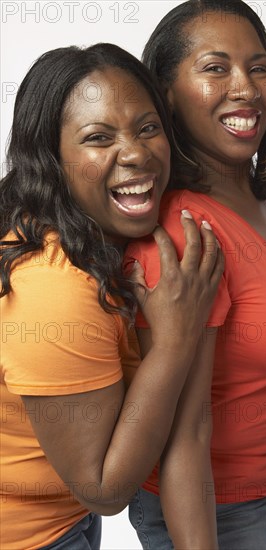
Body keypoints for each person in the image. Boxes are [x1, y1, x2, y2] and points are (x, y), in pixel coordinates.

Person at [126, 1, 266, 548]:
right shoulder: (186, 232)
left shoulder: (247, 196)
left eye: (258, 66)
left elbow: (263, 295)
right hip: (221, 517)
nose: (246, 87)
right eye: (215, 67)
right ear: (165, 92)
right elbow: (185, 433)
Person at [0, 43, 223, 550]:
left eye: (148, 128)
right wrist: (174, 341)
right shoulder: (53, 289)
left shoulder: (80, 228)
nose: (136, 153)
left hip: (60, 521)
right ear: (52, 160)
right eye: (98, 138)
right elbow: (103, 489)